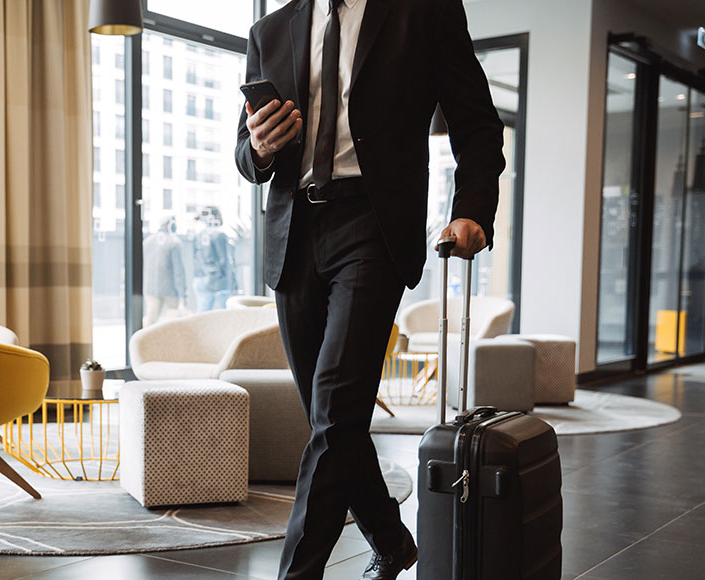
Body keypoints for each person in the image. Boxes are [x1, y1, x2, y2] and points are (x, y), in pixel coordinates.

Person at [234, 1, 504, 579]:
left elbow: (476, 121)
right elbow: (247, 154)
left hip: (373, 226)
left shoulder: (424, 12)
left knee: (335, 413)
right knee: (332, 419)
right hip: (293, 235)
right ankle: (391, 537)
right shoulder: (269, 29)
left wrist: (473, 208)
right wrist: (257, 147)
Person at [143, 217, 188, 325]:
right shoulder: (174, 242)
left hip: (151, 287)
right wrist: (182, 294)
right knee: (172, 322)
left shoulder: (148, 241)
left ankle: (141, 340)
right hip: (171, 289)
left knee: (150, 319)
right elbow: (178, 271)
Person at [192, 206, 237, 311]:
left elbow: (195, 258)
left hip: (200, 279)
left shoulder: (199, 235)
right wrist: (233, 284)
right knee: (224, 315)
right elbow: (225, 261)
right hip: (218, 281)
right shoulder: (219, 235)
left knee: (202, 315)